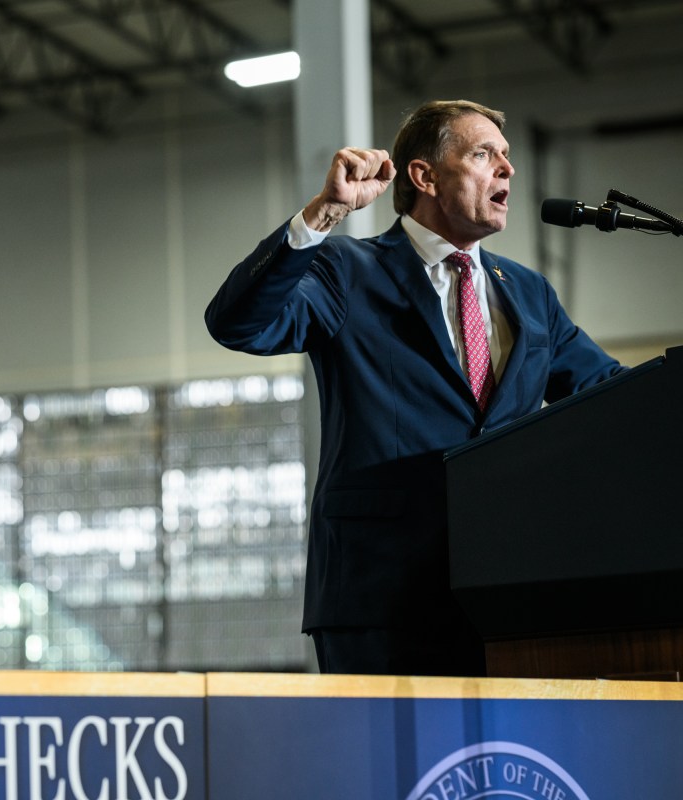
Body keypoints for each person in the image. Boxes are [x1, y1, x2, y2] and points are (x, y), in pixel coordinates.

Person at [204, 99, 624, 677]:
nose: (507, 168)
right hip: (379, 596)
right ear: (425, 176)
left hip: (507, 593)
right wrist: (322, 215)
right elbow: (237, 324)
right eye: (483, 155)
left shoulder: (529, 293)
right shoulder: (347, 270)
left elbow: (613, 397)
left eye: (506, 156)